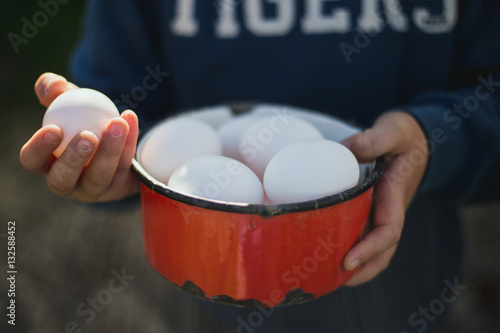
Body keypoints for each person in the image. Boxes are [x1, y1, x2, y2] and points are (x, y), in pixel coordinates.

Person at [20, 1, 500, 332]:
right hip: (202, 288)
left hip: (394, 292)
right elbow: (120, 104)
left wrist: (432, 140)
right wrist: (108, 162)